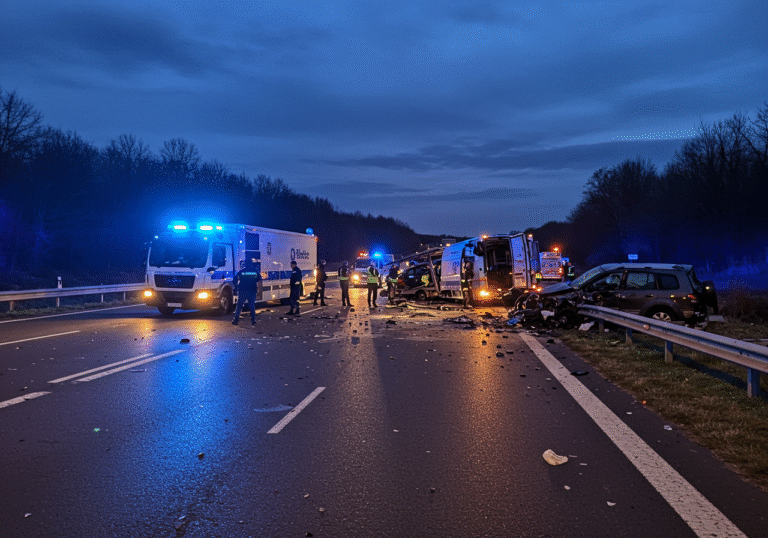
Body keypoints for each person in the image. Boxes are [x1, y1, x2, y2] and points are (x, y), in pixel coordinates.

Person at [232, 259, 262, 325]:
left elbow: (234, 280)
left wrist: (236, 287)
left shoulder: (242, 271)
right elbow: (259, 280)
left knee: (239, 306)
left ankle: (235, 320)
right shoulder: (255, 271)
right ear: (251, 263)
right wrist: (259, 291)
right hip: (252, 291)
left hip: (242, 290)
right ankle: (253, 321)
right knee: (252, 305)